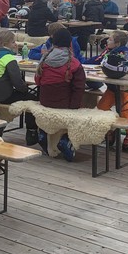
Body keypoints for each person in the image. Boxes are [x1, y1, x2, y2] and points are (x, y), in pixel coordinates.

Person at [34, 29, 84, 161]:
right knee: (85, 107)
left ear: (53, 42)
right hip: (63, 103)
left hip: (45, 101)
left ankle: (44, 134)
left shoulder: (44, 59)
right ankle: (66, 139)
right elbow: (79, 87)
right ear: (70, 44)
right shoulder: (73, 63)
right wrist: (75, 108)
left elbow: (37, 81)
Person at [86, 30, 128, 151]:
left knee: (123, 108)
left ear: (117, 43)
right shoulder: (107, 52)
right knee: (101, 108)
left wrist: (120, 60)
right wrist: (81, 62)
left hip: (127, 88)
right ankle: (110, 128)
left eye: (110, 39)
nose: (107, 41)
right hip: (112, 88)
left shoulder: (126, 52)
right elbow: (96, 60)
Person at [0, 29, 39, 145]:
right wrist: (26, 89)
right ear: (4, 44)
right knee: (33, 99)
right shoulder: (8, 58)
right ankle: (31, 132)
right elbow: (17, 82)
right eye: (13, 42)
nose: (15, 44)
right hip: (4, 95)